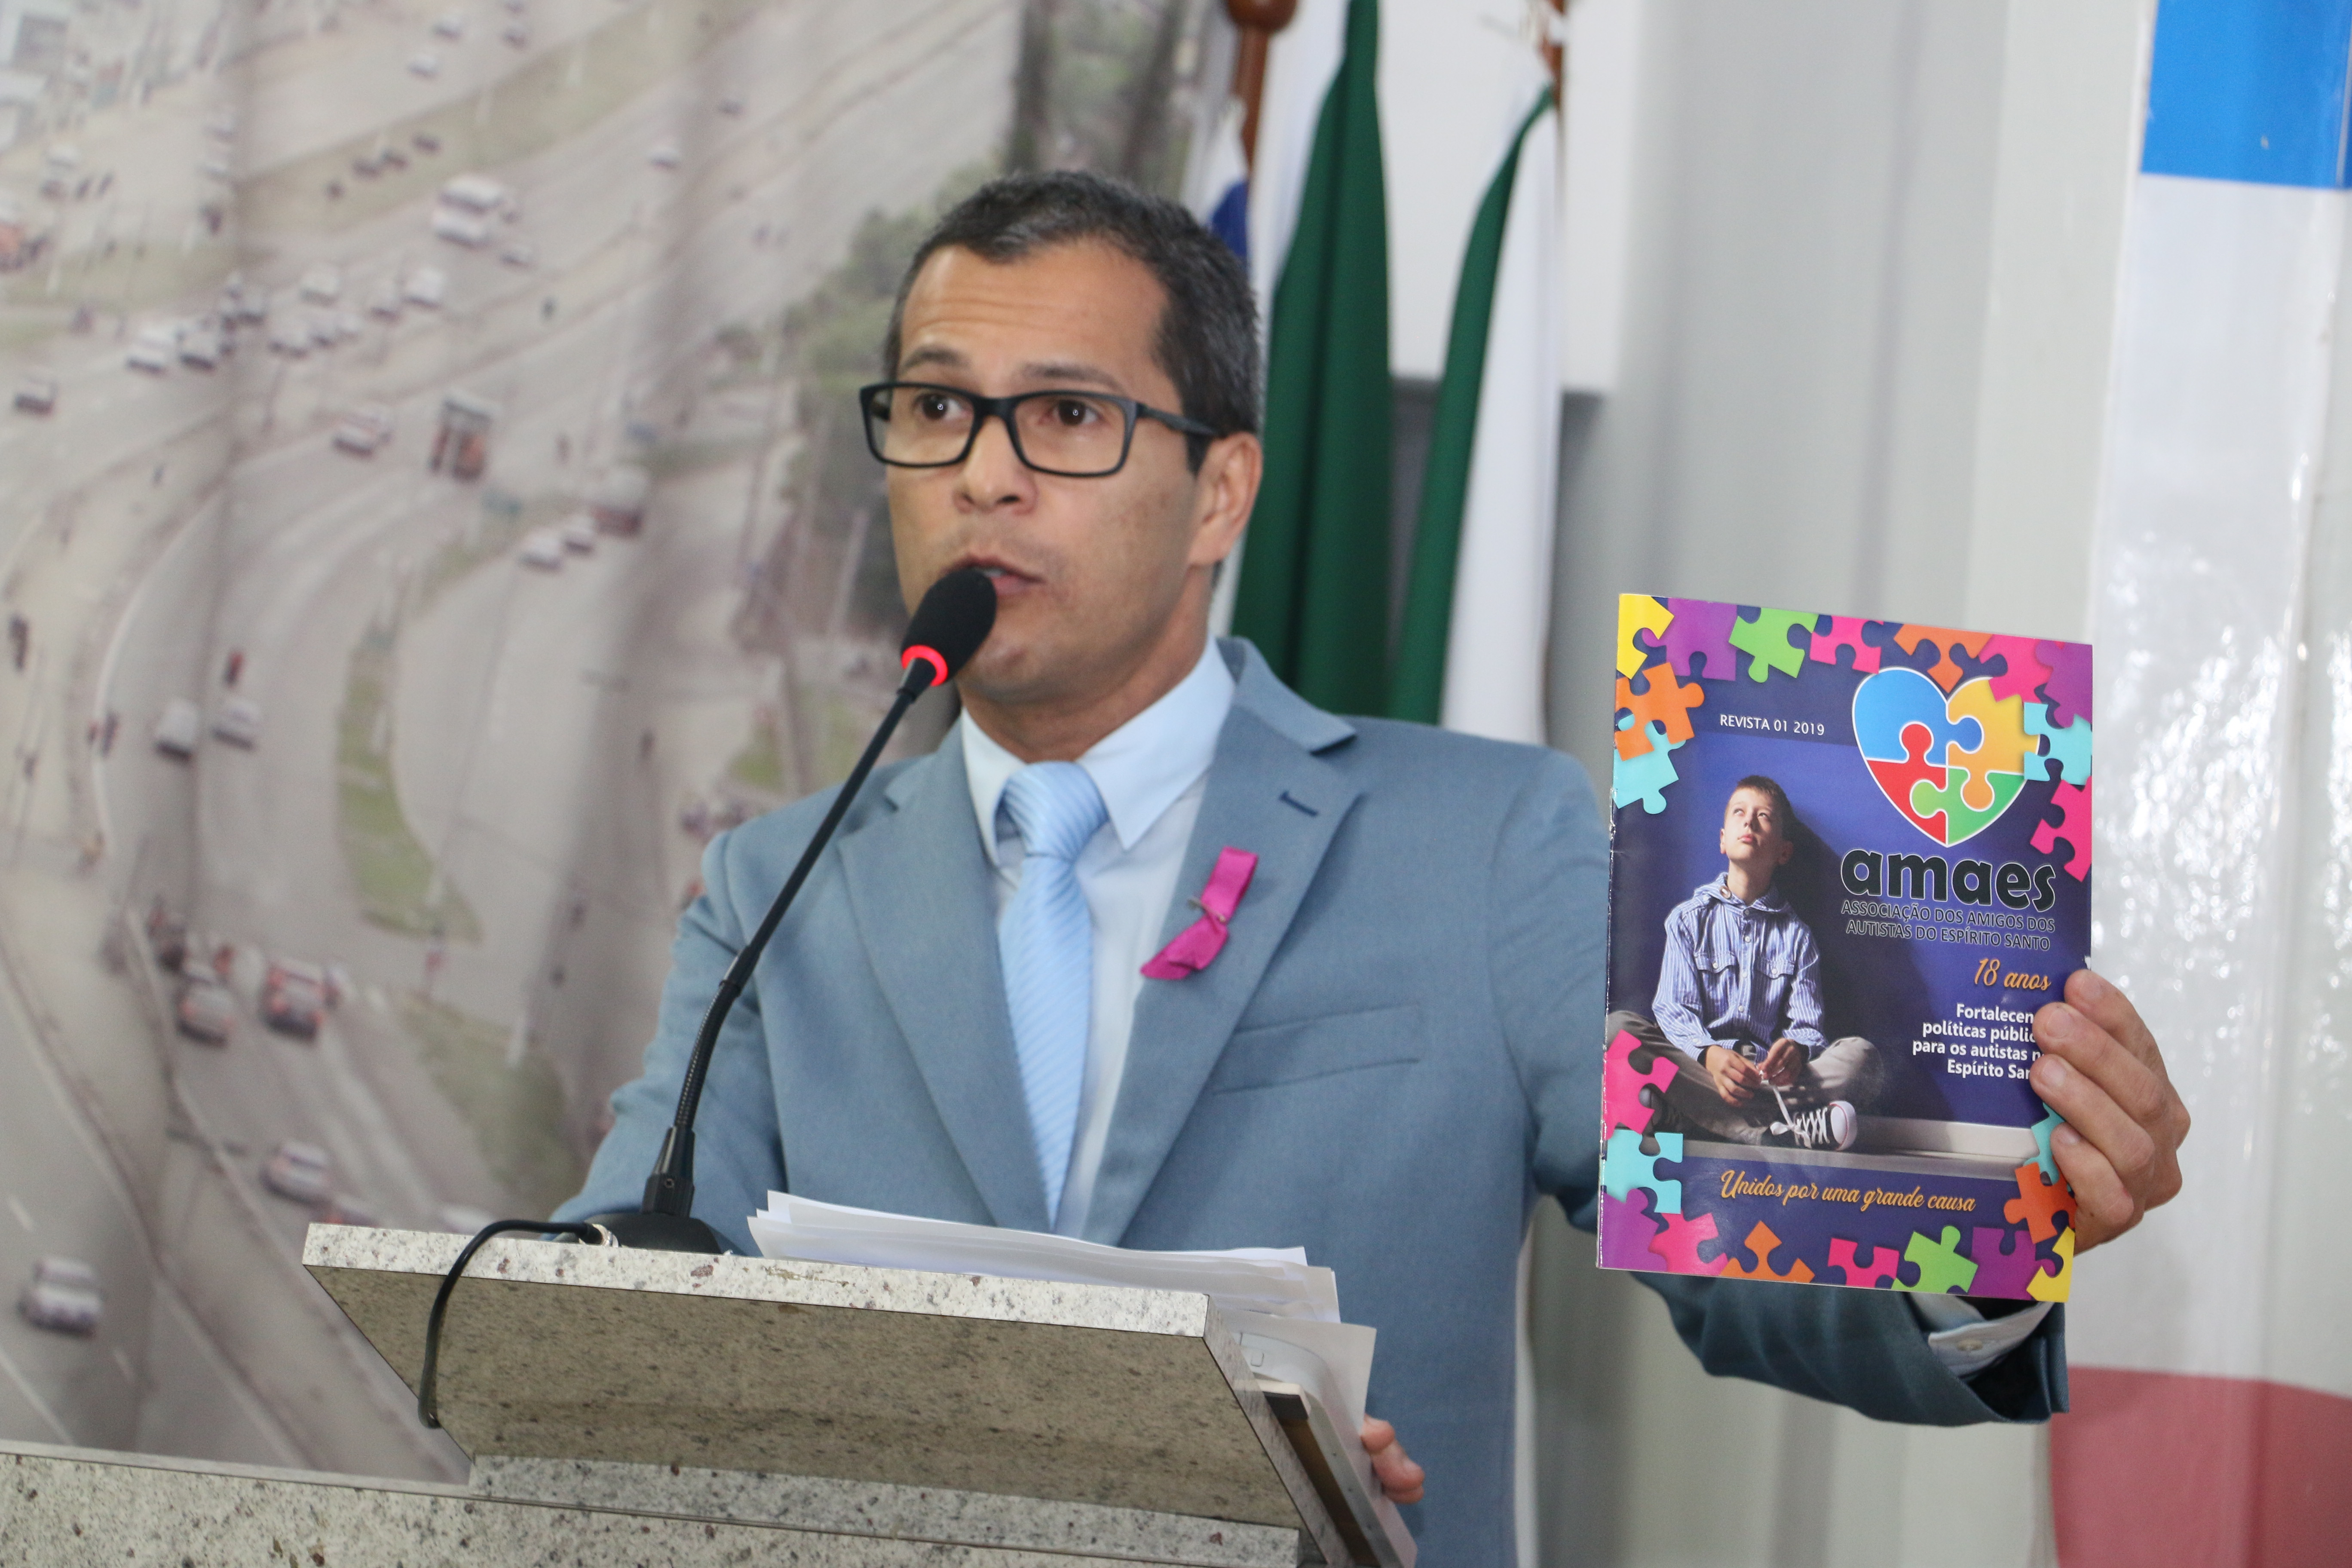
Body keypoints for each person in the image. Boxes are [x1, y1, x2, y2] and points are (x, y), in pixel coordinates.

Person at [557, 172, 2191, 1566]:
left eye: (1064, 414)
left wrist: (1985, 1221)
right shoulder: (779, 889)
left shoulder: (1486, 843)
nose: (983, 470)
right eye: (934, 408)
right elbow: (607, 1323)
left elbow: (1747, 1260)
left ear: (1220, 492)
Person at [1607, 775, 1884, 1151]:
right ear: (1723, 840)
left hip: (1766, 1080)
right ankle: (1775, 1130)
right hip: (1700, 1069)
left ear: (1783, 852)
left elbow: (1808, 1027)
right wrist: (1709, 1055)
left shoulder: (1797, 937)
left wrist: (1797, 1050)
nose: (1750, 821)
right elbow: (1673, 1011)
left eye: (1764, 816)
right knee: (1619, 1030)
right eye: (1739, 812)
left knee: (1863, 1058)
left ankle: (1692, 1118)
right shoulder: (1688, 920)